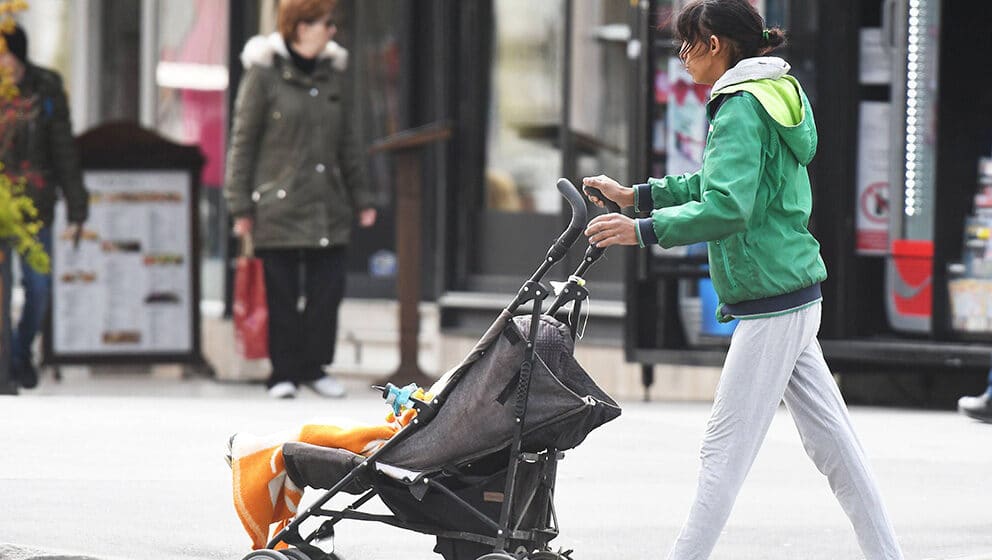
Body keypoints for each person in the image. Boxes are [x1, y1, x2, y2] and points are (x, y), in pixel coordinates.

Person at [582, 1, 904, 558]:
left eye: (688, 44)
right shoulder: (774, 94)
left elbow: (727, 206)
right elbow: (721, 180)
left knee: (722, 452)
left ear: (716, 45)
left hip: (772, 300)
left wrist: (643, 229)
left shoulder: (738, 107)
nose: (681, 56)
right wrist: (640, 195)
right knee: (836, 448)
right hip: (794, 288)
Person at [224, 0, 375, 399]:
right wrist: (240, 205)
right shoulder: (263, 74)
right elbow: (242, 143)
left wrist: (362, 198)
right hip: (277, 204)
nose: (332, 31)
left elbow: (349, 144)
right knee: (282, 294)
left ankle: (315, 367)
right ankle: (283, 372)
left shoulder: (333, 76)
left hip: (329, 205)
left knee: (328, 292)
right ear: (301, 27)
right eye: (325, 23)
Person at [0, 24, 88, 390]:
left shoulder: (46, 88)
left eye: (6, 53)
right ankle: (5, 367)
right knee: (1, 293)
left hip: (35, 206)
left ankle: (20, 353)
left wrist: (77, 207)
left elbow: (63, 150)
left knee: (38, 287)